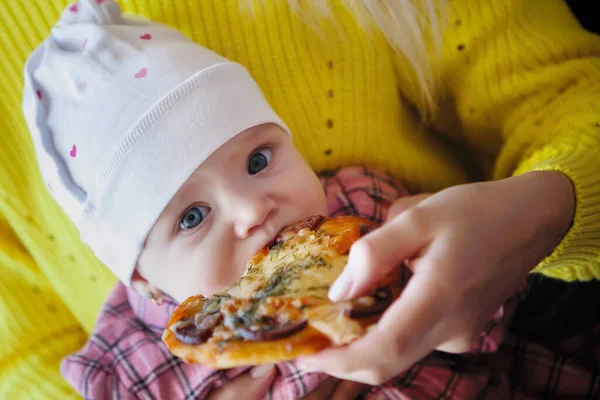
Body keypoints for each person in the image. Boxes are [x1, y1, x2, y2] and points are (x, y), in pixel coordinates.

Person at [1, 0, 599, 398]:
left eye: (259, 160)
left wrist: (485, 263)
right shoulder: (127, 361)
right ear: (146, 283)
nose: (251, 210)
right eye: (190, 216)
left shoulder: (366, 211)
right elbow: (20, 355)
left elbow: (494, 306)